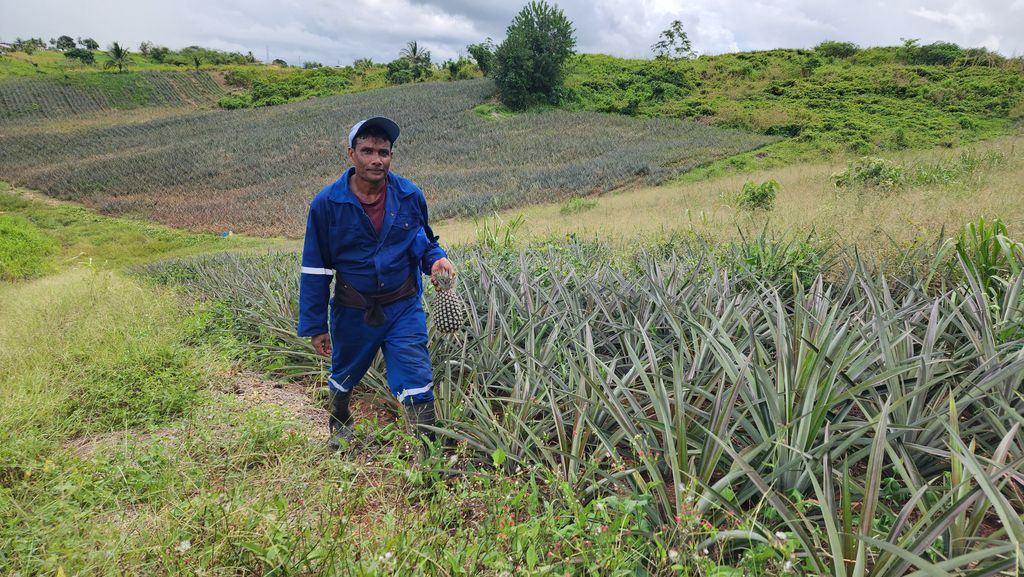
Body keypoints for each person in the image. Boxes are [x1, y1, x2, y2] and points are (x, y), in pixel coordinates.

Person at [297, 116, 455, 450]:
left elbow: (423, 242)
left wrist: (436, 259)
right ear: (350, 154)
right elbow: (316, 269)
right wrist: (315, 325)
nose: (376, 159)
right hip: (353, 309)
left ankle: (430, 458)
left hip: (403, 306)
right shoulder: (326, 204)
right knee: (344, 374)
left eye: (384, 152)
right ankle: (340, 424)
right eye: (367, 150)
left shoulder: (410, 195)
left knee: (416, 376)